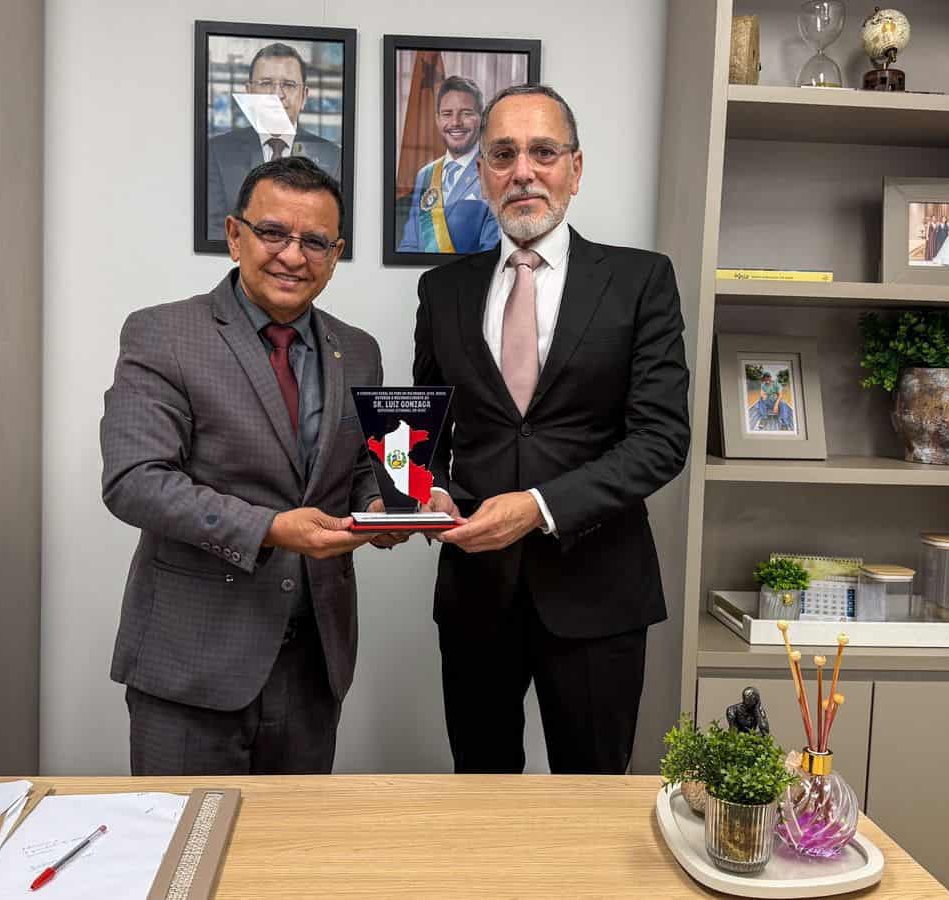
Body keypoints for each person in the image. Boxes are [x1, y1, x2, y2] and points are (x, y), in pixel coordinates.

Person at [412, 84, 691, 775]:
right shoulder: (442, 291)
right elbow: (422, 435)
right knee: (481, 792)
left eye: (543, 152)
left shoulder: (640, 281)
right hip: (476, 593)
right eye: (503, 155)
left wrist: (538, 507)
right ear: (483, 173)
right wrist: (425, 491)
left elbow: (661, 440)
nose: (523, 172)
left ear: (575, 167)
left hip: (600, 591)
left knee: (592, 800)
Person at [101, 156, 401, 776]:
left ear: (336, 254)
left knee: (297, 840)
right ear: (235, 235)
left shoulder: (358, 351)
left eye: (314, 241)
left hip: (313, 665)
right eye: (273, 233)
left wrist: (385, 508)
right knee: (187, 835)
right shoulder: (163, 334)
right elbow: (135, 481)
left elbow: (357, 471)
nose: (293, 255)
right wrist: (269, 528)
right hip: (192, 665)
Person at [206, 43, 342, 242]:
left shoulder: (334, 158)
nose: (277, 95)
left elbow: (330, 233)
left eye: (288, 84)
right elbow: (214, 231)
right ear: (249, 91)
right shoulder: (217, 152)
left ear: (304, 96)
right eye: (266, 83)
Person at [399, 75, 500, 254]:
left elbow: (491, 252)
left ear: (482, 118)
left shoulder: (494, 172)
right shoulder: (425, 174)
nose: (455, 123)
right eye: (447, 114)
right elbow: (409, 244)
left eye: (466, 113)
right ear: (437, 119)